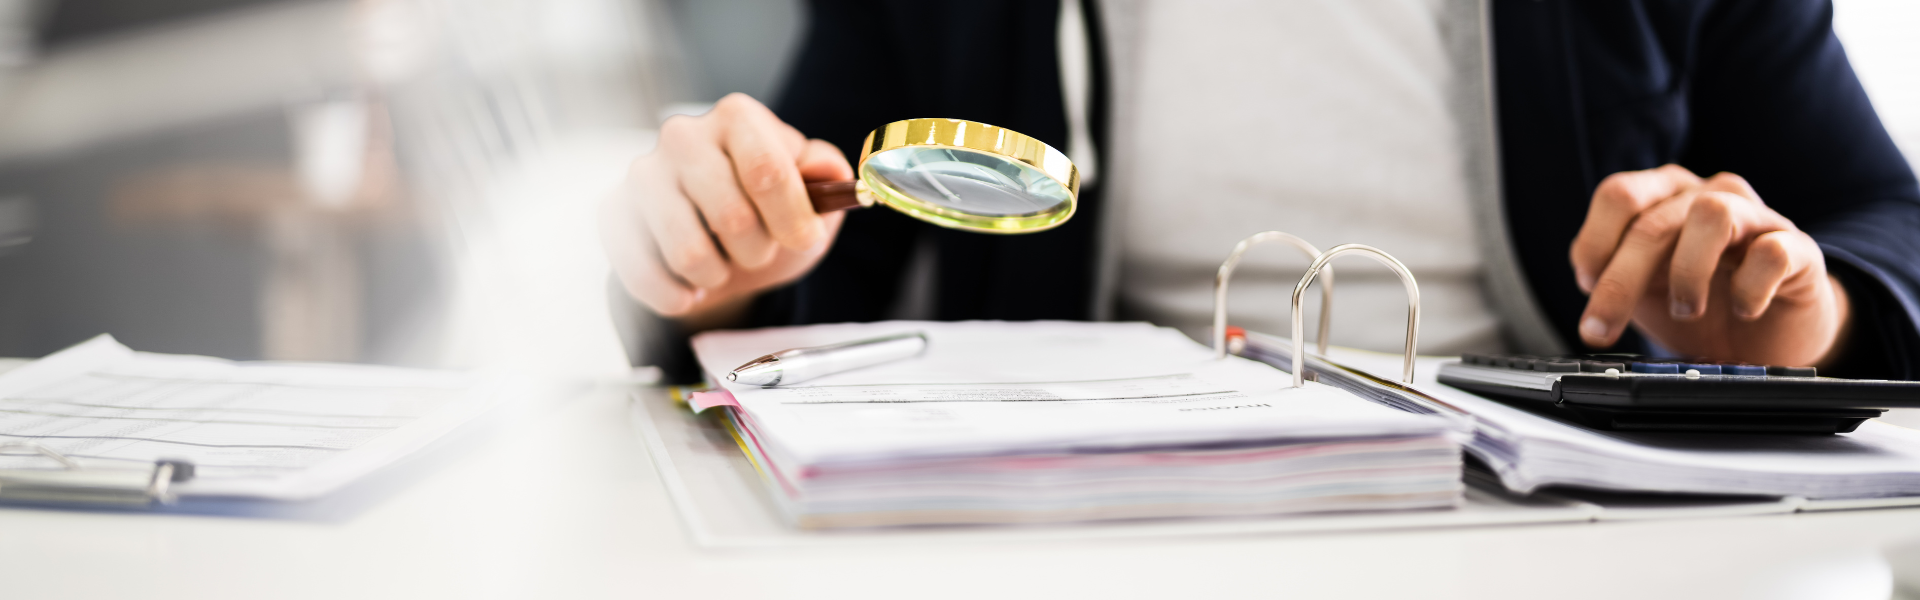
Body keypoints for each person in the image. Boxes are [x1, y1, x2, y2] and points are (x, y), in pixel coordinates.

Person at [601, 0, 1920, 383]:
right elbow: (805, 225)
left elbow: (1888, 224)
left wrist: (1804, 317)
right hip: (1084, 533)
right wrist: (716, 254)